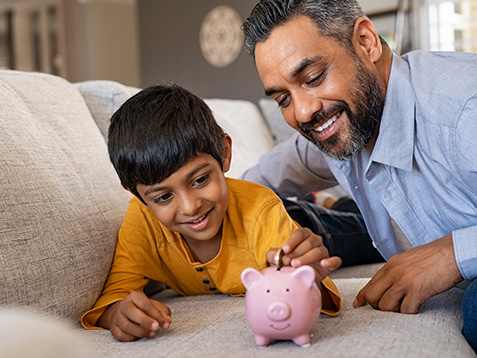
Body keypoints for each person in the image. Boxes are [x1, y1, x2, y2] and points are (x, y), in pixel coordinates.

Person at [241, 0, 477, 351]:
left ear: (367, 41)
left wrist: (455, 252)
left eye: (313, 78)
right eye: (283, 99)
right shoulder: (334, 128)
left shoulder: (463, 109)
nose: (303, 112)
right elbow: (251, 184)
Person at [80, 83, 342, 342]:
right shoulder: (142, 221)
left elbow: (306, 280)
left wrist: (309, 276)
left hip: (306, 224)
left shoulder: (261, 210)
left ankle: (333, 204)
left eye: (200, 180)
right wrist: (116, 314)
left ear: (224, 153)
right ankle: (325, 201)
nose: (190, 206)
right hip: (276, 211)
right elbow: (115, 295)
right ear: (135, 194)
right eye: (163, 197)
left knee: (353, 229)